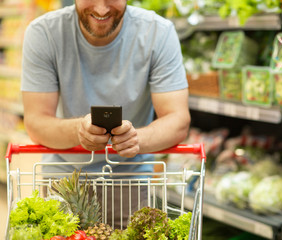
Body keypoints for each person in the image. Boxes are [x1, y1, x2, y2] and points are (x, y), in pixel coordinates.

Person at [20, 0, 190, 228]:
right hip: (64, 182)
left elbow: (178, 120)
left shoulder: (158, 33)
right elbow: (35, 122)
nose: (101, 9)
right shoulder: (44, 34)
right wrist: (78, 131)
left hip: (130, 179)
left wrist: (136, 139)